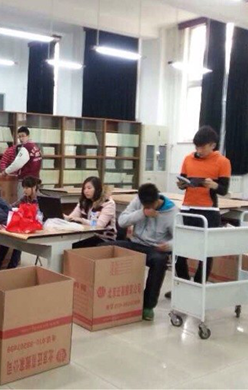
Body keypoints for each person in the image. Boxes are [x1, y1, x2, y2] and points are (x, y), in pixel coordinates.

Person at [112, 183, 178, 321]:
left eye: (150, 205)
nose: (148, 208)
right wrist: (142, 213)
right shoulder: (138, 201)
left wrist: (168, 246)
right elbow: (122, 221)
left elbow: (180, 238)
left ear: (157, 199)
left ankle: (148, 305)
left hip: (154, 248)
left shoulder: (172, 212)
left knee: (160, 261)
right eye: (144, 205)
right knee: (104, 247)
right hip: (135, 243)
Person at [174, 125, 231, 285]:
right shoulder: (188, 159)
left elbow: (224, 190)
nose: (198, 150)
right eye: (196, 147)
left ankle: (200, 286)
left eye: (202, 147)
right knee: (180, 249)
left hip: (208, 211)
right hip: (187, 209)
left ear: (212, 145)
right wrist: (181, 185)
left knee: (206, 252)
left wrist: (214, 185)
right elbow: (183, 181)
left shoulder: (223, 162)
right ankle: (184, 284)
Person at [0, 176, 40, 271]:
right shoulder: (25, 198)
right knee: (7, 238)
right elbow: (12, 206)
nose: (24, 190)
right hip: (23, 225)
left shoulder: (40, 199)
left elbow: (39, 214)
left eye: (27, 188)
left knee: (17, 241)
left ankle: (12, 267)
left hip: (34, 227)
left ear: (34, 187)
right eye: (24, 188)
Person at [65, 176, 117, 248]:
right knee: (67, 241)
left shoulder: (108, 203)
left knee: (73, 245)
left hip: (103, 237)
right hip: (86, 234)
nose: (86, 191)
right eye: (84, 188)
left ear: (97, 189)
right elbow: (73, 217)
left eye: (89, 188)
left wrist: (82, 220)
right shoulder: (84, 201)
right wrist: (64, 217)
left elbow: (99, 225)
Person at [2, 126, 42, 198]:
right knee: (34, 200)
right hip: (35, 179)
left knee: (23, 200)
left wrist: (6, 171)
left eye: (23, 136)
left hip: (26, 180)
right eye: (19, 137)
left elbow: (17, 163)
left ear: (28, 136)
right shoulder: (35, 147)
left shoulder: (26, 148)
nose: (21, 139)